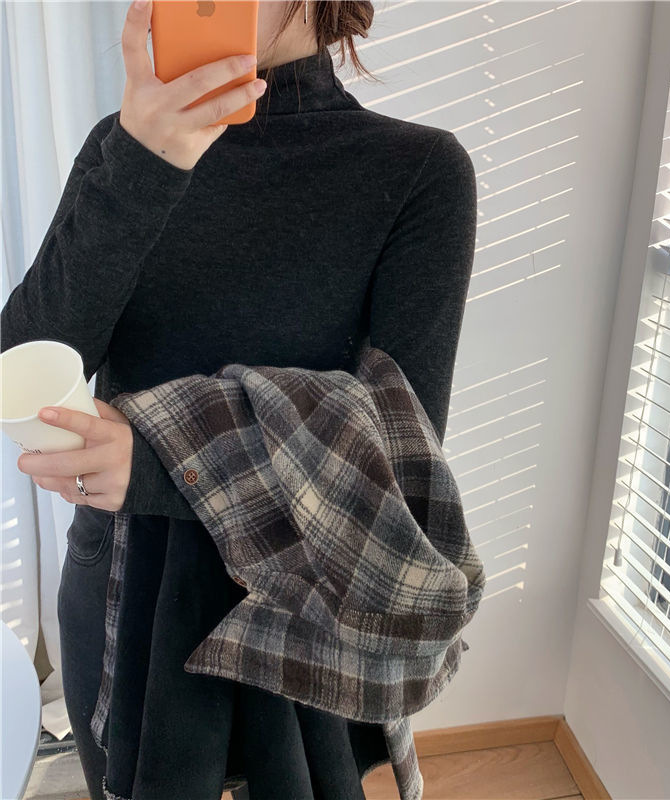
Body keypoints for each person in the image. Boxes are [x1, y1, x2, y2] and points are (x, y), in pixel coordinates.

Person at [1, 0, 478, 797]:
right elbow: (22, 363)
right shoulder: (124, 147)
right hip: (126, 578)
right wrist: (143, 164)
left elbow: (403, 442)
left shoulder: (417, 170)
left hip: (306, 584)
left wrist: (159, 458)